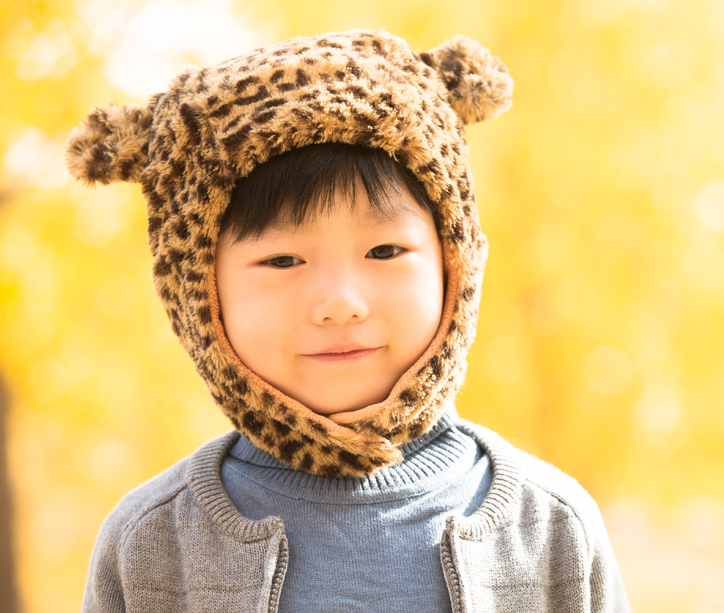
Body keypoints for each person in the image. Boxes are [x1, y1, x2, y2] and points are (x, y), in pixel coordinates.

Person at [65, 29, 631, 613]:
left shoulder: (550, 527)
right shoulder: (152, 544)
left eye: (384, 252)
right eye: (282, 260)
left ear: (454, 261)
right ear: (197, 294)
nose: (340, 302)